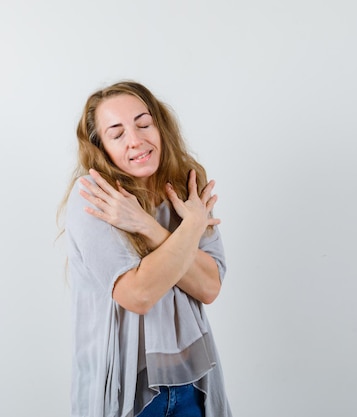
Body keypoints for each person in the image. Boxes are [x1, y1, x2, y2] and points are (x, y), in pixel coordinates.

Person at [59, 81, 232, 417]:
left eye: (143, 124)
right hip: (131, 396)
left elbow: (209, 287)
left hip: (193, 385)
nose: (136, 140)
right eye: (117, 133)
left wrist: (151, 226)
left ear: (159, 125)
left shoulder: (187, 188)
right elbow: (138, 295)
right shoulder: (94, 199)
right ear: (101, 146)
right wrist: (189, 229)